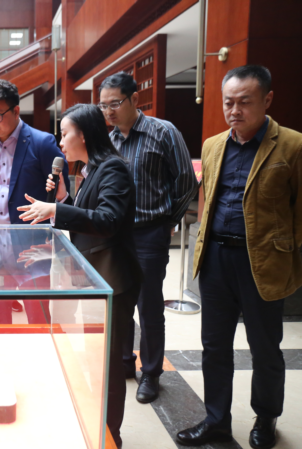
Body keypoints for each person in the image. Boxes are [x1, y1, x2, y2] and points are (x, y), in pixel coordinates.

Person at [177, 66, 302, 448]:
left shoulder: (297, 146)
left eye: (244, 102)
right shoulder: (213, 145)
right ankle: (216, 419)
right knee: (214, 346)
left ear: (267, 100)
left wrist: (278, 247)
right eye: (228, 102)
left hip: (263, 263)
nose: (234, 110)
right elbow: (210, 197)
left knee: (265, 347)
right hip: (216, 259)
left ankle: (266, 417)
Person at [18, 104, 141, 448]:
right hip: (95, 275)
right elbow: (89, 215)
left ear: (83, 135)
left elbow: (108, 221)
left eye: (64, 133)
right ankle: (97, 423)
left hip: (114, 277)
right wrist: (63, 198)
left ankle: (110, 436)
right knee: (97, 357)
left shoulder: (113, 167)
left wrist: (56, 209)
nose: (60, 142)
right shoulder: (90, 169)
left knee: (109, 363)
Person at [99, 72, 198, 403]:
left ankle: (151, 373)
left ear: (134, 99)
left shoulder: (163, 132)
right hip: (116, 235)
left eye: (115, 104)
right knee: (119, 303)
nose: (109, 112)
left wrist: (168, 221)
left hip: (150, 232)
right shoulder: (109, 140)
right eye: (103, 106)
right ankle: (124, 363)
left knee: (149, 306)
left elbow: (186, 182)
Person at [0, 79, 69, 320]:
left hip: (31, 247)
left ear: (16, 111)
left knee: (38, 318)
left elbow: (61, 196)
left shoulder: (42, 143)